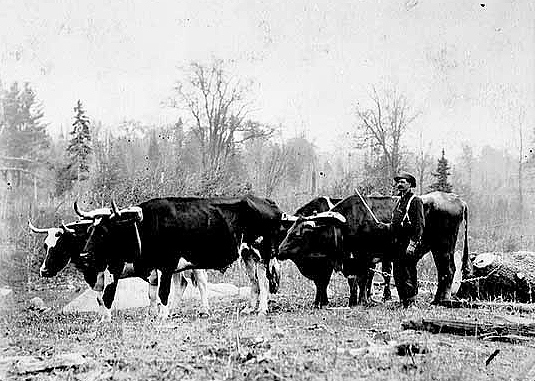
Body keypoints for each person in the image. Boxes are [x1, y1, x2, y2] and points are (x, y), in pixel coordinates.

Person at [390, 171, 425, 308]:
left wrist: (413, 244)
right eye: (398, 182)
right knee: (397, 272)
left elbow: (419, 225)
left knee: (409, 272)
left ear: (410, 185)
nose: (399, 184)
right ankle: (402, 300)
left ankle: (411, 302)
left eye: (403, 182)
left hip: (408, 243)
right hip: (397, 243)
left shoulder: (415, 201)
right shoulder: (400, 200)